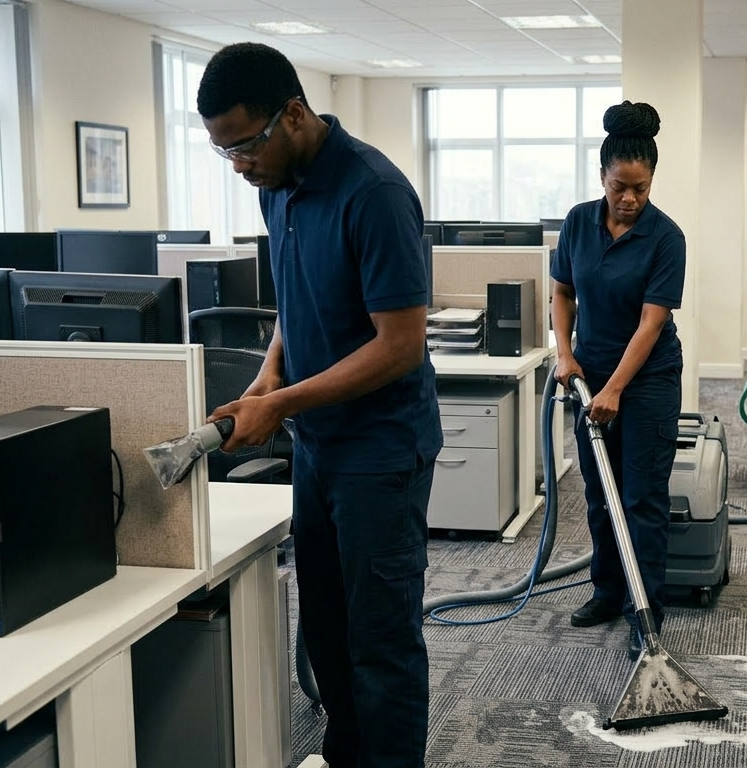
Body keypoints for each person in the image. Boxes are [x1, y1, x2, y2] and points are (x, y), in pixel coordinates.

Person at [198, 43, 441, 768]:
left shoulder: (375, 193)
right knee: (327, 635)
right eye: (223, 152)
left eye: (244, 144)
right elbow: (296, 307)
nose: (240, 164)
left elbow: (399, 345)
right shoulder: (276, 187)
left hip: (380, 449)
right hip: (317, 448)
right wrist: (268, 380)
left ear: (294, 115)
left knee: (380, 642)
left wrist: (286, 402)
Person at [551, 101, 685, 657]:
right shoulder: (579, 222)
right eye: (619, 187)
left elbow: (653, 322)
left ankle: (643, 608)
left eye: (640, 188)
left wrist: (616, 389)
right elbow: (563, 291)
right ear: (601, 177)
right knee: (601, 494)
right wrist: (566, 354)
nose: (629, 199)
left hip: (648, 380)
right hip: (591, 375)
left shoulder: (665, 237)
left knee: (641, 498)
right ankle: (607, 590)